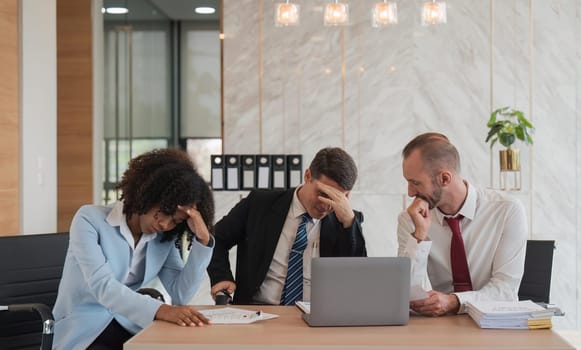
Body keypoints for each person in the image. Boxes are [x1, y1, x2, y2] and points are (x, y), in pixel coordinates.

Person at [53, 148, 215, 350]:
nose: (165, 224)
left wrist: (202, 241)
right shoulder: (89, 220)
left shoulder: (162, 238)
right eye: (164, 212)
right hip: (84, 328)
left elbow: (181, 294)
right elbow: (104, 287)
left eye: (176, 221)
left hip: (129, 324)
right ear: (148, 194)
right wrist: (161, 310)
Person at [207, 147, 367, 305]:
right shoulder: (259, 204)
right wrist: (221, 277)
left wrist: (349, 223)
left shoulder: (347, 221)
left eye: (337, 198)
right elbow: (216, 239)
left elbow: (359, 277)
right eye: (323, 194)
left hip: (318, 315)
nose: (326, 206)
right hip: (259, 311)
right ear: (308, 175)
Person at [397, 132, 527, 317]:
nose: (410, 193)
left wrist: (454, 301)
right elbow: (406, 293)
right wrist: (419, 236)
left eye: (415, 183)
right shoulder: (410, 219)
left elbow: (505, 291)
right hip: (443, 329)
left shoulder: (507, 210)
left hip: (497, 324)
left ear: (444, 179)